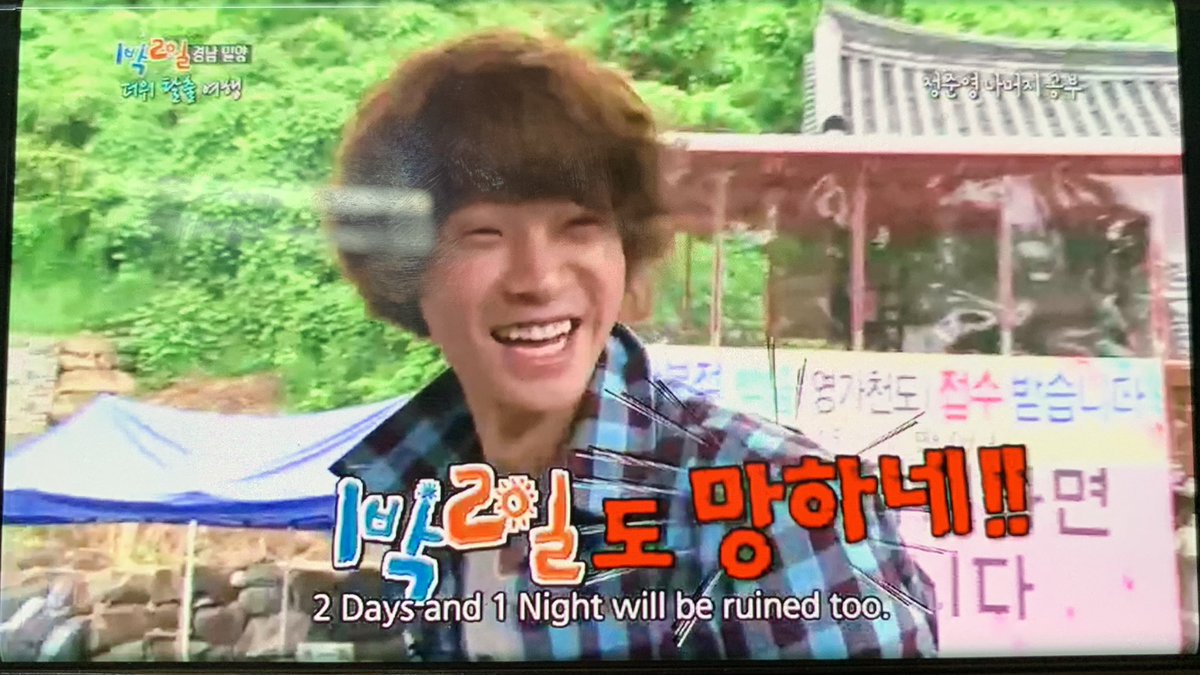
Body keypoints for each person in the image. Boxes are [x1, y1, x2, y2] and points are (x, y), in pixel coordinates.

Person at [322, 29, 937, 661]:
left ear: (626, 250)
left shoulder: (783, 504)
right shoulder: (418, 489)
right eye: (483, 233)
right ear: (408, 268)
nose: (538, 279)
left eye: (578, 226)